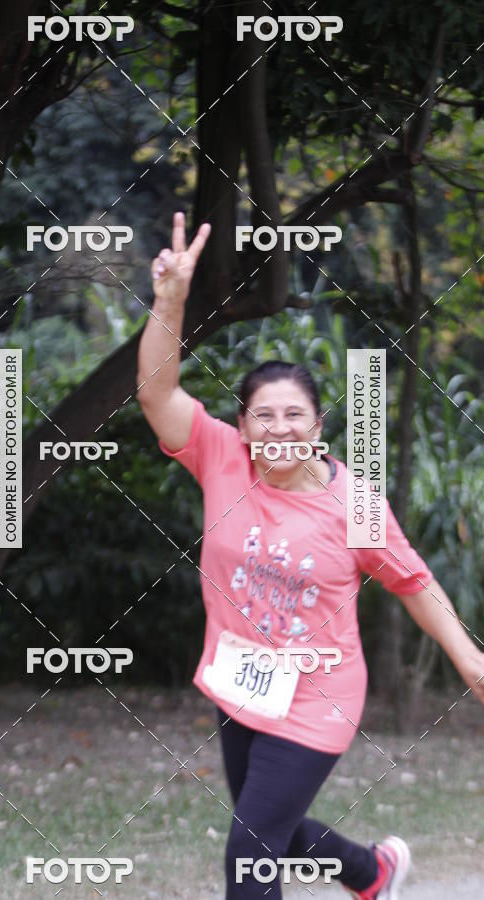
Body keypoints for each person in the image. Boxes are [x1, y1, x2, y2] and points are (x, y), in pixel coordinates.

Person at [136, 211, 484, 899]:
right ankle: (372, 872)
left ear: (318, 426)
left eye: (294, 414)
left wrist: (468, 656)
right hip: (241, 682)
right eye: (263, 415)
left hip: (320, 694)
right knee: (274, 829)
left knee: (250, 852)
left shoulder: (352, 504)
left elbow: (414, 583)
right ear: (242, 425)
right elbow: (157, 392)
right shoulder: (222, 458)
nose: (278, 428)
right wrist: (170, 299)